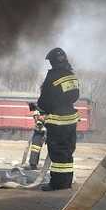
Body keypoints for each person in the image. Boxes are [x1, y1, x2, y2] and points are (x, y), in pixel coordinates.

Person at [37, 47, 80, 191]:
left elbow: (44, 101)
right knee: (67, 152)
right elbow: (75, 96)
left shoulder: (53, 76)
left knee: (57, 153)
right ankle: (66, 182)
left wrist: (43, 108)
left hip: (57, 120)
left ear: (53, 62)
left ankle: (57, 184)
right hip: (71, 119)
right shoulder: (71, 75)